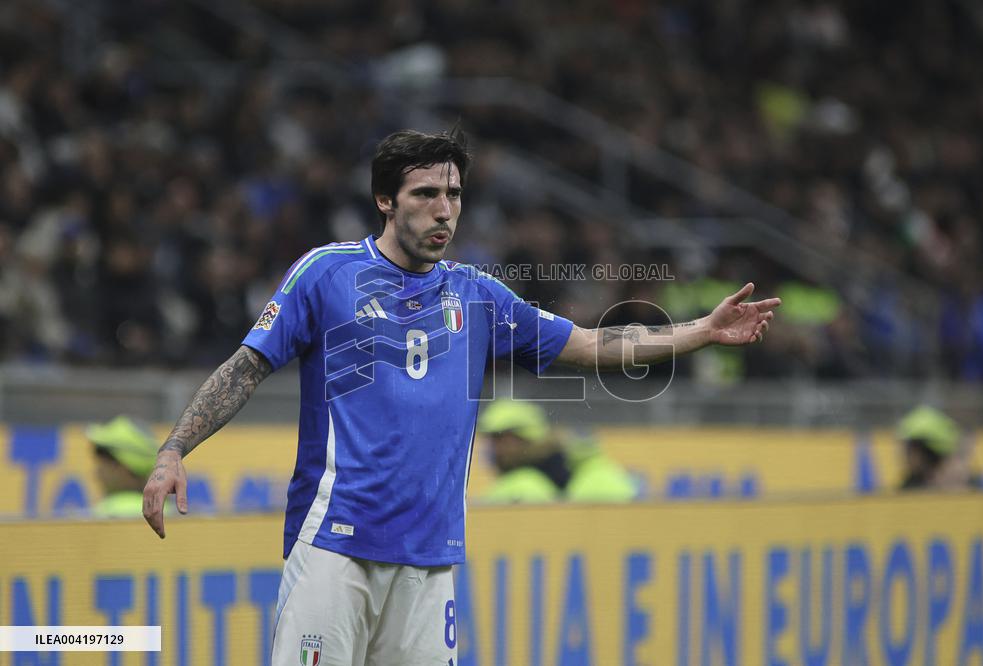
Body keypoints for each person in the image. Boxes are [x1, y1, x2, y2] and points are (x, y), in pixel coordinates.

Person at [141, 128, 780, 665]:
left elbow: (589, 345)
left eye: (453, 194)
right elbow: (246, 367)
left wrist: (701, 331)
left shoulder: (478, 295)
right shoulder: (327, 274)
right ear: (385, 201)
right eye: (425, 194)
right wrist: (174, 450)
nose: (444, 210)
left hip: (430, 558)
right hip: (335, 545)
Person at [477, 399, 637, 503]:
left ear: (521, 438)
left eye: (497, 439)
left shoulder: (521, 487)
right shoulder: (595, 470)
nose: (492, 449)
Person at [897, 406, 983, 491]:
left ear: (919, 452)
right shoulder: (910, 485)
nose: (903, 454)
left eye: (908, 448)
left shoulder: (974, 485)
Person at [86, 415, 159, 518]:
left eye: (102, 464)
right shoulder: (167, 510)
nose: (97, 472)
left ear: (121, 468)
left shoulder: (106, 512)